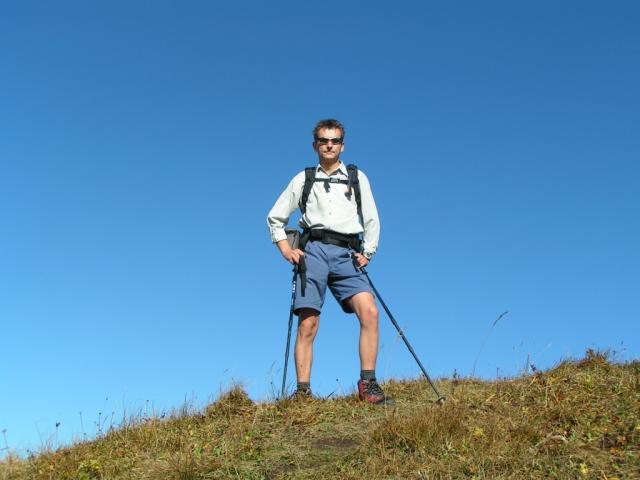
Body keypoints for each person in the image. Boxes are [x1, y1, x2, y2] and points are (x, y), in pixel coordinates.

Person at [267, 119, 392, 404]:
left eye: (335, 141)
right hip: (313, 252)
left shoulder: (356, 178)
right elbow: (275, 216)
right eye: (324, 141)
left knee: (370, 312)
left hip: (347, 252)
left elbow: (371, 217)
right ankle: (303, 393)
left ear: (342, 146)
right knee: (308, 322)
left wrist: (368, 251)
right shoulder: (304, 178)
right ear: (315, 145)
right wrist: (286, 249)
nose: (329, 145)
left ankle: (368, 385)